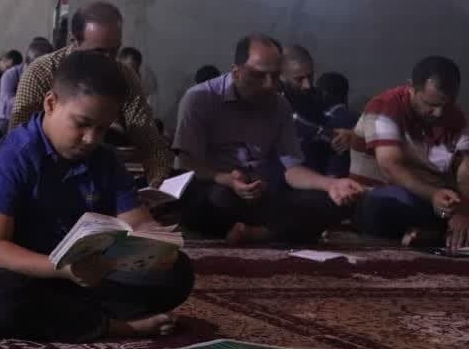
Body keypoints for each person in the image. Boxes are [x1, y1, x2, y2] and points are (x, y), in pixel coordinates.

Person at [0, 51, 194, 342]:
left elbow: (137, 221)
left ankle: (70, 316)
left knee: (176, 272)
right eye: (82, 124)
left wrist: (156, 243)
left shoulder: (105, 159)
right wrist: (62, 269)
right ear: (51, 103)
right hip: (24, 275)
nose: (91, 139)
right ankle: (116, 327)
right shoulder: (13, 155)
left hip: (87, 276)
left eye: (102, 129)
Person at [173, 35, 365, 245]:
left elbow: (292, 169)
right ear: (236, 72)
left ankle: (256, 233)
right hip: (213, 189)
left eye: (275, 76)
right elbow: (187, 163)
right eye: (258, 76)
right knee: (218, 198)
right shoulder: (200, 98)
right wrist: (227, 179)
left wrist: (331, 184)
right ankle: (272, 231)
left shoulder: (279, 106)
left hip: (258, 195)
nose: (268, 85)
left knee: (336, 202)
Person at [10, 2, 173, 187]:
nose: (108, 59)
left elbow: (151, 143)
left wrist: (157, 184)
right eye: (99, 51)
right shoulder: (41, 73)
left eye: (114, 51)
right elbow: (17, 141)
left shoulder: (125, 76)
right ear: (74, 41)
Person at [350, 57, 469, 250]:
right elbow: (390, 167)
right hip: (385, 195)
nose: (439, 113)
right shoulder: (385, 106)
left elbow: (465, 169)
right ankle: (435, 231)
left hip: (439, 202)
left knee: (454, 208)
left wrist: (462, 210)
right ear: (411, 88)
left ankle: (432, 232)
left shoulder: (455, 116)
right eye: (430, 104)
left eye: (446, 105)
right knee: (383, 203)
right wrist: (433, 195)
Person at [280, 45, 349, 176]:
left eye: (310, 77)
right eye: (299, 79)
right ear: (281, 76)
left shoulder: (326, 106)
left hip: (324, 181)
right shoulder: (268, 109)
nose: (307, 85)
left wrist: (349, 137)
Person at [0, 37, 54, 133]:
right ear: (29, 63)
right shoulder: (10, 75)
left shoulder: (49, 74)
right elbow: (7, 100)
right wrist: (34, 97)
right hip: (5, 120)